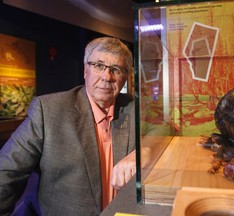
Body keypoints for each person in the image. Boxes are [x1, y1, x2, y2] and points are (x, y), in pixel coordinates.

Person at [0, 37, 136, 215]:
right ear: (85, 70)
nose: (106, 77)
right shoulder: (48, 111)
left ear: (125, 77)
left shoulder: (134, 108)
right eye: (99, 65)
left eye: (116, 69)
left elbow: (164, 133)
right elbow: (7, 173)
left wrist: (140, 153)